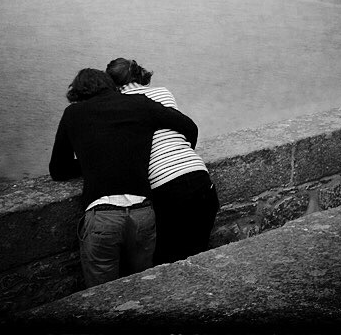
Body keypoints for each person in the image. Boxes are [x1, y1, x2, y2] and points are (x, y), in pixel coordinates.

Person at [49, 67, 198, 288]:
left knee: (103, 297)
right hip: (142, 213)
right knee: (143, 289)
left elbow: (58, 169)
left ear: (78, 92)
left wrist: (94, 162)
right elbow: (188, 126)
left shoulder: (73, 113)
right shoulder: (139, 103)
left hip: (102, 215)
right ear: (110, 85)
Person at [106, 58, 220, 265]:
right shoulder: (164, 93)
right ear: (139, 73)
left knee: (167, 265)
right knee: (198, 259)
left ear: (110, 83)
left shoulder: (118, 106)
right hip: (200, 179)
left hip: (167, 189)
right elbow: (184, 127)